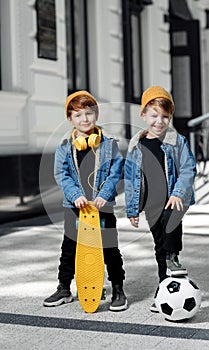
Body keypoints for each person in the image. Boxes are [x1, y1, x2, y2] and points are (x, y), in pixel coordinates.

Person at [43, 90, 127, 311]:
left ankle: (118, 287)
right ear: (70, 119)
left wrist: (103, 195)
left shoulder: (109, 145)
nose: (85, 119)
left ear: (96, 115)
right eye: (78, 115)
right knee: (69, 248)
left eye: (89, 114)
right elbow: (62, 175)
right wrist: (75, 195)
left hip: (102, 207)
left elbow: (115, 174)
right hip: (75, 207)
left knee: (109, 247)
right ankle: (64, 287)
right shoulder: (64, 148)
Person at [124, 86, 196, 312]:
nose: (159, 121)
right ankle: (163, 287)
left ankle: (173, 256)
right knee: (158, 247)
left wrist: (178, 193)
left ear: (170, 117)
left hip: (173, 200)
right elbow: (130, 178)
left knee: (170, 226)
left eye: (165, 116)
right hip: (151, 204)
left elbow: (188, 169)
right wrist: (132, 209)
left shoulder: (178, 142)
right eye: (154, 115)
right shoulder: (136, 145)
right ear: (144, 115)